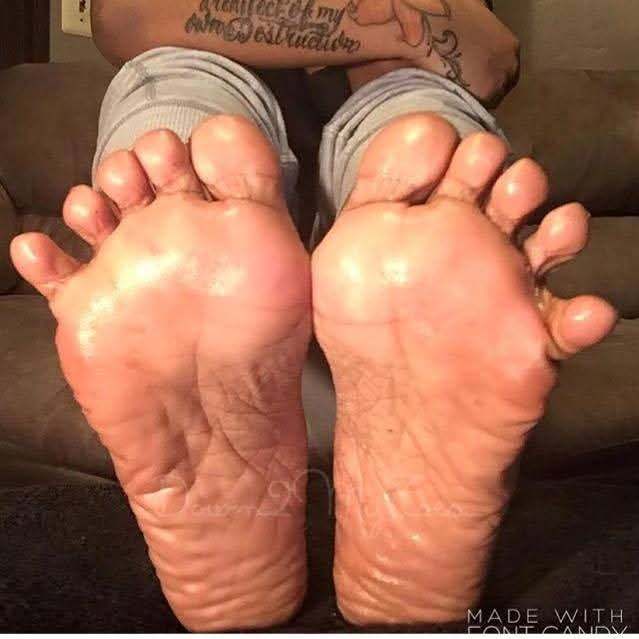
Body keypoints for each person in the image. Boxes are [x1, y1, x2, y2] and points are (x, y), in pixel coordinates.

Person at [8, 0, 616, 631]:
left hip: (329, 275)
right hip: (292, 278)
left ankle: (220, 233)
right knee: (389, 108)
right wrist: (406, 27)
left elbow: (490, 57)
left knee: (391, 115)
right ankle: (385, 232)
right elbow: (127, 18)